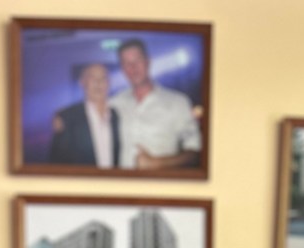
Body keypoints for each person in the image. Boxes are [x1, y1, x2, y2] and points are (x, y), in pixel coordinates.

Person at [109, 39, 202, 171]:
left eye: (137, 60)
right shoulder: (114, 103)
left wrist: (158, 163)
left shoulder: (178, 102)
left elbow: (195, 152)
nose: (133, 67)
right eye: (126, 63)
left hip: (161, 182)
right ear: (122, 69)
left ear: (148, 61)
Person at [48, 63, 120, 168]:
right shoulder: (66, 118)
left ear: (109, 83)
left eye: (103, 78)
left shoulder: (116, 115)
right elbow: (56, 163)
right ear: (82, 83)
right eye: (92, 78)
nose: (98, 82)